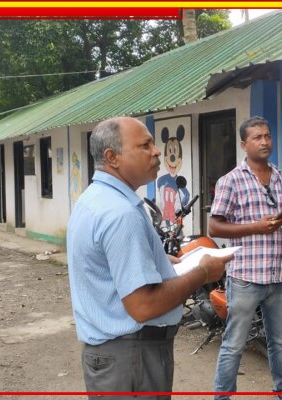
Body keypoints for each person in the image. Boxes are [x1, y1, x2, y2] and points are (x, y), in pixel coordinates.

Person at [67, 117, 230, 398]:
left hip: (116, 356)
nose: (156, 151)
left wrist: (157, 261)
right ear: (112, 158)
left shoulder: (95, 199)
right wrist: (201, 273)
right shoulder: (121, 214)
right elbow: (143, 306)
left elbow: (107, 264)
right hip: (132, 358)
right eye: (145, 145)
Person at [210, 116, 282, 400]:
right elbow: (214, 226)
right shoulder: (230, 181)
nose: (265, 142)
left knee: (279, 342)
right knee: (234, 344)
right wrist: (256, 227)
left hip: (279, 280)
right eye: (257, 137)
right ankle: (223, 397)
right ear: (244, 144)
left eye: (267, 136)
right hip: (245, 280)